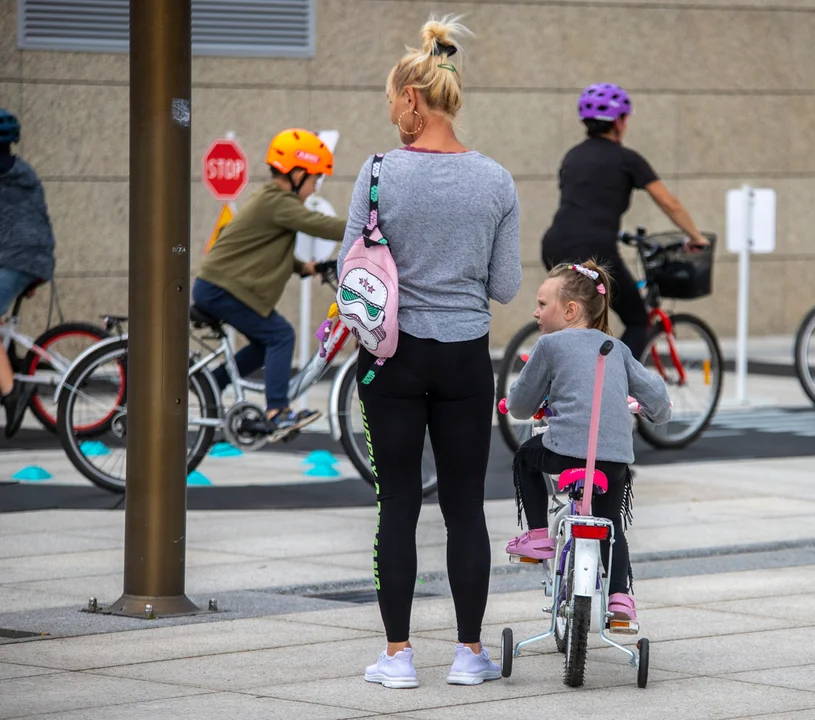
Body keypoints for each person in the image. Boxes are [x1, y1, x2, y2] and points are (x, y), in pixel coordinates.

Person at [340, 16, 521, 689]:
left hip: (391, 359)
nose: (391, 114)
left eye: (392, 102)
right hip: (465, 359)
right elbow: (505, 286)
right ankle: (470, 653)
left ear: (413, 99)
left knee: (399, 505)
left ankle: (398, 655)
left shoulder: (380, 172)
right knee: (466, 504)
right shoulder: (496, 181)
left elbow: (351, 267)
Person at [505, 261, 671, 626]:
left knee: (526, 458)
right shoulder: (618, 348)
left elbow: (520, 405)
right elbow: (656, 396)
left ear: (570, 310)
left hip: (562, 454)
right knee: (612, 521)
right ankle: (621, 599)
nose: (535, 311)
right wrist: (656, 412)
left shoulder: (548, 345)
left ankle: (537, 536)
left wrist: (522, 402)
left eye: (542, 304)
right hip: (613, 462)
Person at [193, 128, 346, 439]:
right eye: (315, 179)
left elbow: (263, 247)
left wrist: (305, 267)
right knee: (280, 335)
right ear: (298, 173)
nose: (315, 187)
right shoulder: (279, 202)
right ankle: (277, 411)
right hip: (221, 289)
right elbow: (320, 225)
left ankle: (212, 382)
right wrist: (367, 224)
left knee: (266, 342)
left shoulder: (270, 200)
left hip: (216, 287)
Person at [540, 83, 710, 359]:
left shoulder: (572, 156)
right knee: (637, 321)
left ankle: (569, 378)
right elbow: (669, 202)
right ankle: (606, 383)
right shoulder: (627, 159)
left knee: (575, 319)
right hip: (594, 250)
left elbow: (582, 203)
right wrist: (696, 236)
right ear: (619, 122)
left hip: (554, 244)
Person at [0, 108, 55, 438]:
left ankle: (12, 391)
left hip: (16, 259)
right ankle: (8, 364)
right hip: (33, 258)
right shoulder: (23, 170)